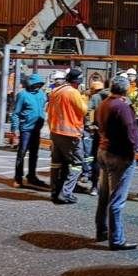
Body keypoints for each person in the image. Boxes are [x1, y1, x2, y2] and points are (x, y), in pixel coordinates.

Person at [95, 76, 138, 250]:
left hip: (103, 150)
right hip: (120, 155)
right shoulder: (122, 106)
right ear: (126, 90)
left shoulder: (104, 103)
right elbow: (130, 131)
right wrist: (134, 149)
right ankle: (117, 239)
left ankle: (102, 230)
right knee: (117, 199)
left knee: (104, 195)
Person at [47, 68, 88, 204]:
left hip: (55, 131)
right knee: (77, 163)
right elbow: (83, 110)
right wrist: (83, 97)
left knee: (56, 163)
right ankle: (65, 193)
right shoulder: (73, 92)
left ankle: (54, 191)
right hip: (70, 134)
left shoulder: (56, 91)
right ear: (77, 82)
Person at [10, 74, 48, 189]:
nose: (38, 87)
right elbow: (16, 113)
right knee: (21, 153)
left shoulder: (41, 94)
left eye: (39, 85)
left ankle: (32, 176)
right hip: (26, 129)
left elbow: (43, 107)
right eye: (36, 84)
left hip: (36, 129)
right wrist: (15, 130)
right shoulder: (22, 95)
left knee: (34, 154)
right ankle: (18, 178)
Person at [85, 81, 106, 196]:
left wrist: (89, 125)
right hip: (112, 134)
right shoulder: (115, 96)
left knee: (96, 160)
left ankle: (94, 187)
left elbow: (86, 110)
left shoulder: (95, 97)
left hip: (99, 132)